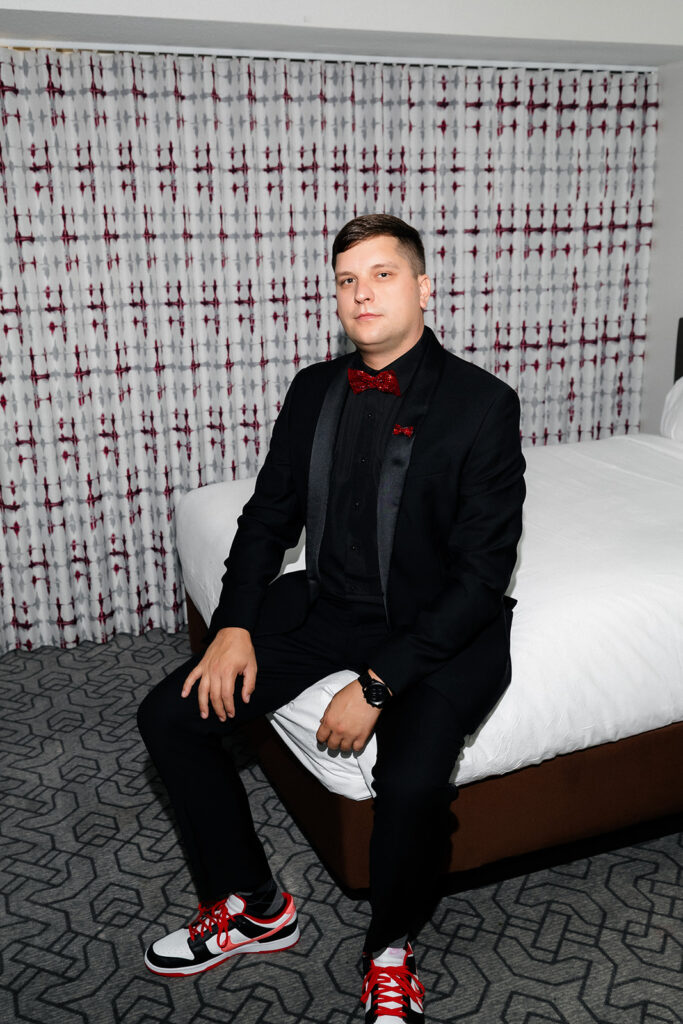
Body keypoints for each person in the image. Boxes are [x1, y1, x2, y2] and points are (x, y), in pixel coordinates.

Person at [138, 214, 525, 1021]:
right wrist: (234, 623)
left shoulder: (483, 405)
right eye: (348, 280)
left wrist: (378, 685)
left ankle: (389, 949)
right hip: (325, 607)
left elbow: (482, 575)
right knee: (170, 717)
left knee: (411, 782)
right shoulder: (314, 388)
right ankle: (250, 903)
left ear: (422, 288)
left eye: (382, 275)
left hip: (436, 630)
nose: (362, 293)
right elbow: (268, 516)